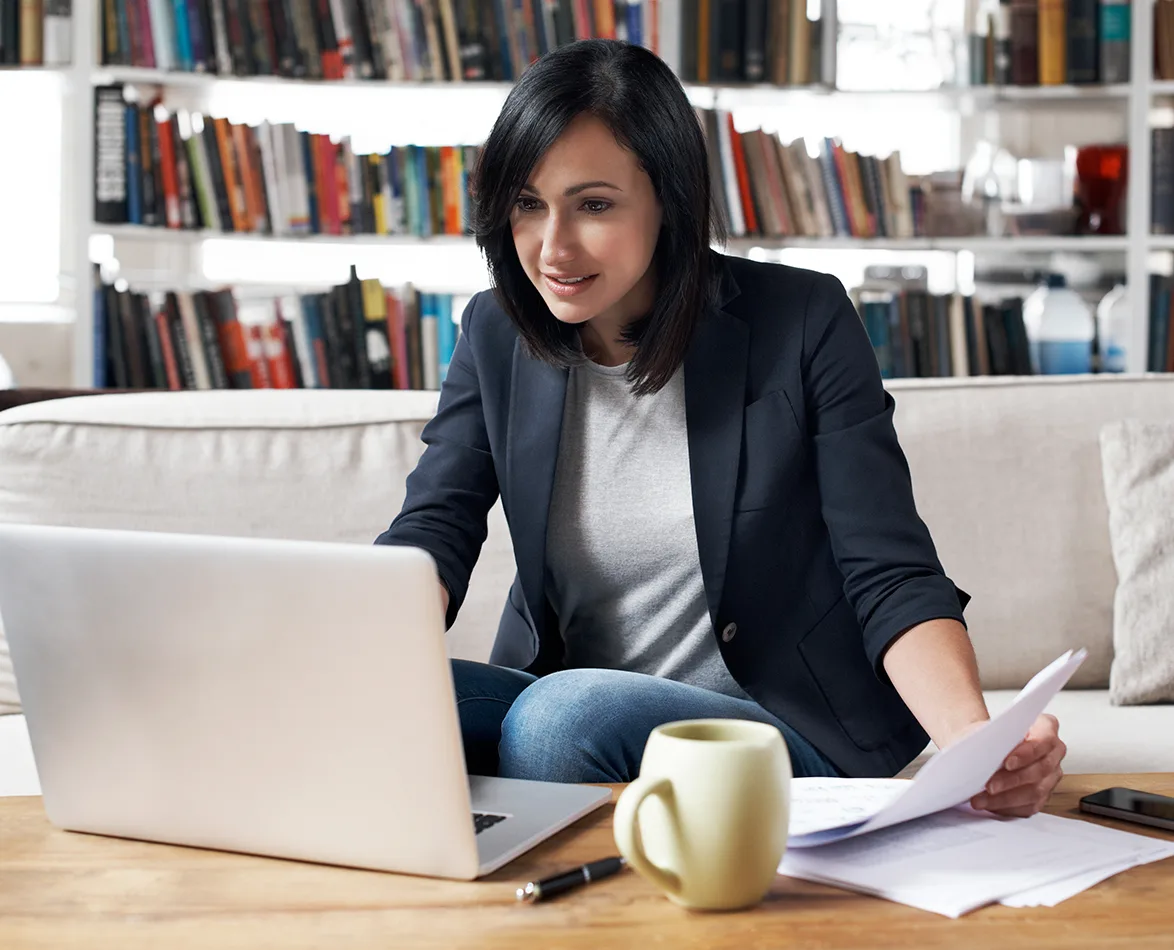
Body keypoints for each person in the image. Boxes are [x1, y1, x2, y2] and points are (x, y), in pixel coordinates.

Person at [376, 39, 1066, 817]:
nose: (552, 246)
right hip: (569, 698)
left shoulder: (802, 320)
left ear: (667, 198)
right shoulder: (495, 329)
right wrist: (353, 652)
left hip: (773, 721)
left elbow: (889, 570)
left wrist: (974, 743)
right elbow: (436, 523)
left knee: (555, 723)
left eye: (593, 204)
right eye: (528, 203)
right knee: (381, 712)